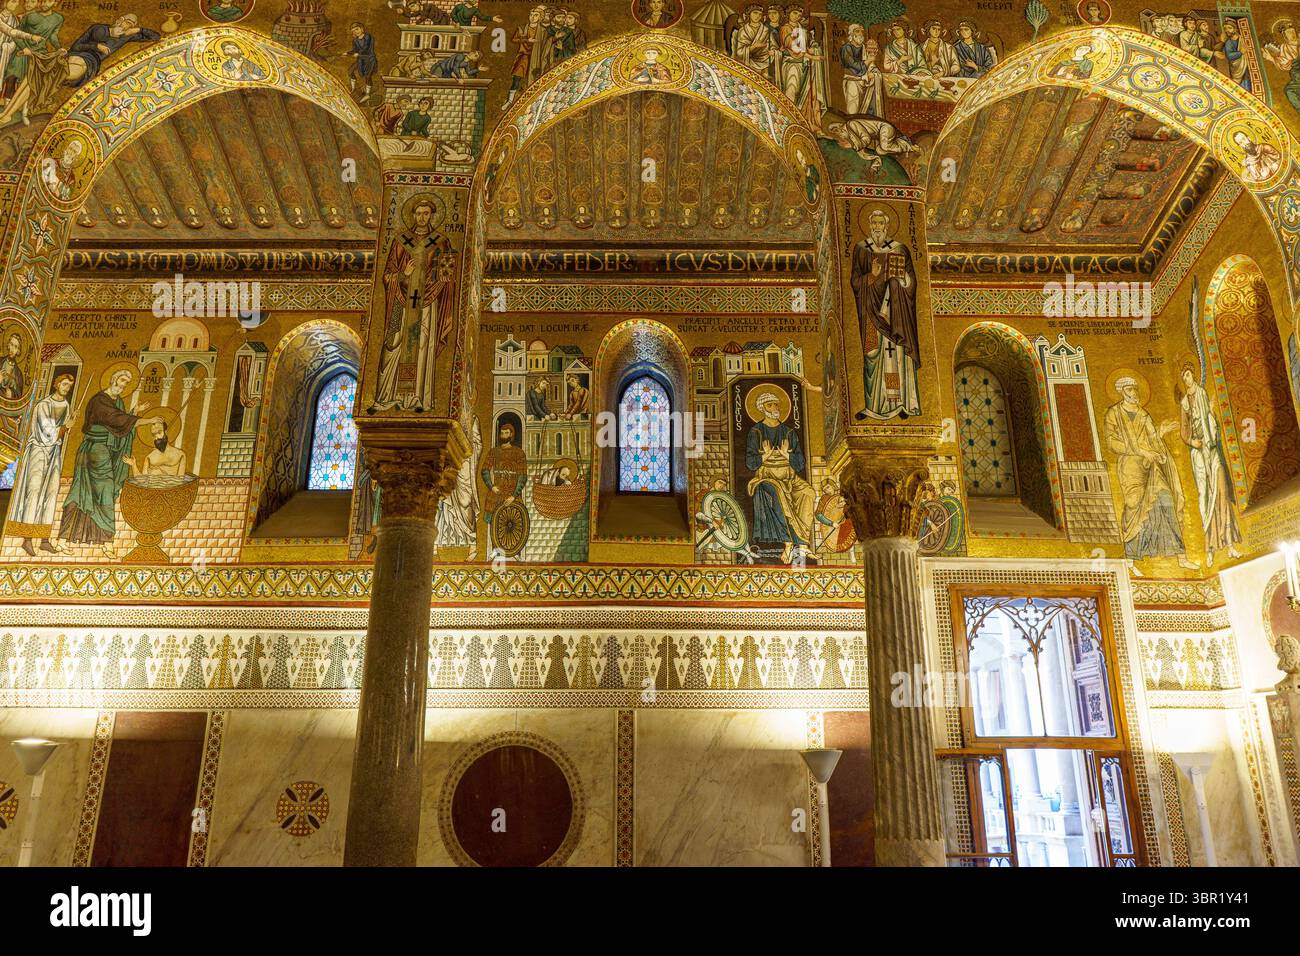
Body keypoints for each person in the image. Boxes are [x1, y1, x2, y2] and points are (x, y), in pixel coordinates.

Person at [59, 369, 163, 558]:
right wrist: (146, 420)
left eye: (126, 384)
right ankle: (104, 542)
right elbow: (117, 420)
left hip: (104, 451)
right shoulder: (99, 401)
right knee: (87, 491)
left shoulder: (118, 402)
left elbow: (119, 425)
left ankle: (74, 540)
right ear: (113, 379)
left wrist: (133, 413)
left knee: (90, 493)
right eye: (121, 381)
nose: (122, 385)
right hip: (94, 450)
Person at [1104, 376, 1198, 574]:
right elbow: (1111, 443)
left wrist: (1159, 434)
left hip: (1151, 466)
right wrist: (1140, 451)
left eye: (1136, 389)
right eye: (1130, 389)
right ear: (1122, 391)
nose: (1134, 393)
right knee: (1134, 504)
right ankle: (1130, 559)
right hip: (1130, 467)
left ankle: (1181, 556)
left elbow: (1152, 438)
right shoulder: (1114, 414)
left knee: (1167, 500)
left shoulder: (1143, 414)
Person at [370, 199, 453, 412]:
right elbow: (387, 275)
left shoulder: (441, 242)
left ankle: (418, 399)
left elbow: (446, 277)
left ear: (432, 215)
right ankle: (387, 397)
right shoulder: (400, 241)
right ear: (413, 215)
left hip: (427, 303)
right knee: (395, 342)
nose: (422, 217)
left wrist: (429, 287)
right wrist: (403, 275)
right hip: (401, 301)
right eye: (419, 213)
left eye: (426, 213)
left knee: (423, 345)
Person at [850, 208, 921, 419]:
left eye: (881, 223)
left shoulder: (900, 249)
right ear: (870, 225)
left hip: (896, 315)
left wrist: (902, 281)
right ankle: (874, 406)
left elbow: (912, 282)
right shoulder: (861, 249)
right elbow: (854, 281)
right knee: (873, 355)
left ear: (886, 225)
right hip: (871, 314)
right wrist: (871, 277)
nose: (878, 227)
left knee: (896, 359)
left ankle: (899, 404)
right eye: (875, 223)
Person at [1178, 365, 1241, 565]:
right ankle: (1209, 548)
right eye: (1184, 376)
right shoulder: (1184, 403)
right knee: (1204, 497)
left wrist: (1210, 434)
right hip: (1198, 453)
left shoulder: (1203, 394)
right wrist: (1191, 442)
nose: (1187, 378)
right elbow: (1183, 430)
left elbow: (1210, 420)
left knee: (1221, 490)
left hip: (1212, 450)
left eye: (1188, 374)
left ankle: (1230, 543)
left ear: (1193, 374)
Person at [746, 389, 816, 565]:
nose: (775, 407)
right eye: (770, 404)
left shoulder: (788, 432)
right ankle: (788, 543)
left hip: (789, 477)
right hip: (767, 476)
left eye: (776, 404)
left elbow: (800, 463)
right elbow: (750, 462)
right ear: (762, 408)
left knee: (808, 492)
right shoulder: (756, 432)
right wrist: (766, 455)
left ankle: (802, 545)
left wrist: (786, 455)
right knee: (778, 493)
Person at [7, 372, 73, 555]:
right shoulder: (43, 405)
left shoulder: (66, 405)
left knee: (51, 492)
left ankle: (44, 539)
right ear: (56, 384)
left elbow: (58, 434)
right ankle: (27, 539)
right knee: (34, 490)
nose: (66, 388)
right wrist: (65, 428)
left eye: (69, 386)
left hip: (54, 452)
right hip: (38, 450)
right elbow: (47, 430)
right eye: (64, 384)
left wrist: (66, 428)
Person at [65, 14, 160, 87]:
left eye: (131, 25)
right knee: (74, 63)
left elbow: (156, 37)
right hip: (79, 54)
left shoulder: (126, 36)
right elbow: (76, 46)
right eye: (127, 22)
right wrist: (96, 46)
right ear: (120, 20)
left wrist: (139, 30)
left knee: (76, 70)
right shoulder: (99, 29)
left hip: (92, 61)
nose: (127, 27)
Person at [435, 417, 481, 548]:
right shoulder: (456, 418)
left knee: (466, 503)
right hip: (454, 462)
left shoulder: (473, 419)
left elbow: (478, 443)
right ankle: (441, 543)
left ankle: (471, 542)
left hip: (466, 465)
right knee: (446, 504)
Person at [480, 421, 527, 526]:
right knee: (494, 524)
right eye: (502, 433)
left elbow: (522, 476)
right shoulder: (494, 452)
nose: (504, 435)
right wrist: (491, 486)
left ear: (511, 434)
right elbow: (485, 470)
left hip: (512, 495)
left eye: (506, 433)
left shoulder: (519, 453)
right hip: (497, 493)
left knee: (516, 525)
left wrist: (514, 496)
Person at [839, 25, 882, 117]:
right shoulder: (846, 48)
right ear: (851, 34)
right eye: (857, 31)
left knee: (864, 109)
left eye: (861, 32)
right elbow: (853, 65)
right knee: (853, 108)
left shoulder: (863, 47)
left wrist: (873, 72)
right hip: (852, 81)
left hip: (865, 82)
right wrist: (867, 62)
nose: (860, 34)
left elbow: (871, 65)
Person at [732, 5, 773, 75]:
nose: (757, 16)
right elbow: (740, 52)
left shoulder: (766, 30)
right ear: (749, 14)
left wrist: (773, 51)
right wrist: (754, 47)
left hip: (765, 62)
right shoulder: (743, 31)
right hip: (749, 63)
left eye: (760, 14)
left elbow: (772, 46)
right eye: (755, 13)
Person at [346, 23, 377, 104]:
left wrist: (358, 54)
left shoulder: (368, 37)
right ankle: (353, 89)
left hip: (369, 59)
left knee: (368, 76)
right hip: (360, 60)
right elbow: (355, 50)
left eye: (357, 29)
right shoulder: (355, 40)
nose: (356, 32)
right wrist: (347, 53)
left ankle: (367, 94)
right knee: (350, 71)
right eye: (354, 31)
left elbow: (366, 48)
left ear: (361, 29)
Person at [0, 329, 25, 400]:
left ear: (18, 351)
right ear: (8, 345)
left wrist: (11, 394)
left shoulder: (18, 373)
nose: (12, 349)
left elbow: (19, 394)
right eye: (11, 344)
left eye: (16, 347)